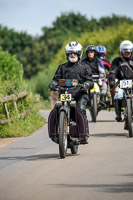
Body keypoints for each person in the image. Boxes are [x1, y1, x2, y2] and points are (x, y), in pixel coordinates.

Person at [49, 41, 94, 143]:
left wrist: (86, 85)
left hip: (79, 95)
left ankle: (84, 134)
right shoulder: (62, 67)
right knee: (56, 109)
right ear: (67, 54)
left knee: (81, 108)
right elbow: (56, 79)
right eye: (70, 53)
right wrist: (53, 84)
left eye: (74, 53)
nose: (72, 55)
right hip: (65, 94)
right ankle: (56, 134)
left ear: (79, 54)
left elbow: (90, 81)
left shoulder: (85, 67)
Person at [109, 40, 133, 122]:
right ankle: (118, 114)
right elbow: (112, 71)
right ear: (121, 51)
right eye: (125, 51)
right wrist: (111, 80)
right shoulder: (117, 61)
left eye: (129, 51)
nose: (127, 53)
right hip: (121, 82)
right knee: (118, 95)